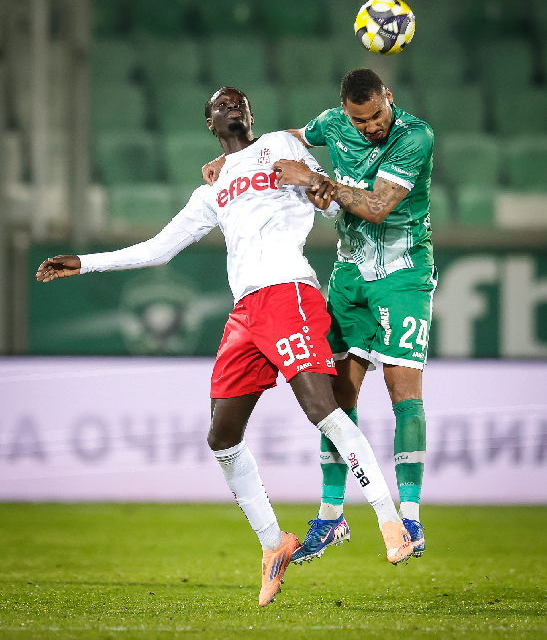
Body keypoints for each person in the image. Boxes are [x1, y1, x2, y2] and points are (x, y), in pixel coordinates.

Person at [36, 87, 413, 607]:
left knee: (322, 409)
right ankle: (273, 543)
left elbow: (331, 205)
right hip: (245, 312)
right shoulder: (212, 188)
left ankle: (389, 520)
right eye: (221, 104)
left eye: (239, 101)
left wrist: (317, 186)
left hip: (288, 291)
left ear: (251, 115)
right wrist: (85, 263)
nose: (231, 105)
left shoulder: (284, 145)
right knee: (221, 436)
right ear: (211, 124)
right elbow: (159, 249)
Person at [202, 70, 435, 564]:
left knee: (402, 391)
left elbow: (376, 207)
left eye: (376, 116)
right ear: (345, 112)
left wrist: (315, 180)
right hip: (349, 273)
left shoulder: (415, 136)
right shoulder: (332, 123)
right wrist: (235, 159)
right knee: (336, 398)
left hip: (403, 272)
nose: (370, 127)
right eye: (360, 120)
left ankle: (410, 517)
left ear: (389, 99)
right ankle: (331, 516)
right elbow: (283, 139)